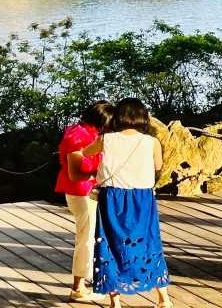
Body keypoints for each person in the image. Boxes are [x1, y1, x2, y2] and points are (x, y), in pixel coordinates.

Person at [80, 98, 170, 308]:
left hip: (112, 198)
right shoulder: (151, 142)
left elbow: (85, 153)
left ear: (119, 116)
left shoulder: (105, 139)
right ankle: (163, 299)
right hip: (143, 199)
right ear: (143, 117)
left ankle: (116, 302)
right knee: (150, 244)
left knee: (110, 246)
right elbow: (158, 166)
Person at [56, 100, 114, 303]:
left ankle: (85, 281)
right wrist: (99, 176)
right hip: (81, 192)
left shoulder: (82, 131)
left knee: (89, 236)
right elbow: (75, 173)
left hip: (85, 191)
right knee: (86, 237)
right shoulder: (79, 136)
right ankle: (78, 288)